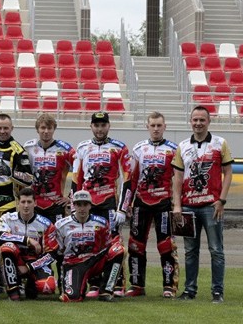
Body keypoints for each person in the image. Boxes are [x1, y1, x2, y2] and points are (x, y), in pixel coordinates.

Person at [171, 105, 234, 304]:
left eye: (202, 120)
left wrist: (221, 200)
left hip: (211, 206)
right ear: (190, 122)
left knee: (216, 249)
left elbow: (229, 173)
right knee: (190, 251)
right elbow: (178, 178)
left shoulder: (220, 143)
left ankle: (217, 291)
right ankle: (190, 290)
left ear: (208, 121)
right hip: (188, 206)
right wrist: (177, 206)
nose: (198, 123)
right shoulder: (182, 146)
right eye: (195, 120)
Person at [71, 111, 130, 296]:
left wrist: (122, 209)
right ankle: (95, 284)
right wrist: (74, 206)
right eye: (96, 125)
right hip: (87, 204)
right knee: (90, 242)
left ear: (108, 126)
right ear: (91, 127)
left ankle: (117, 283)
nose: (99, 128)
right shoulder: (82, 147)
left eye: (103, 125)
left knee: (113, 243)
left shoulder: (119, 148)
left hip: (109, 203)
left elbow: (128, 180)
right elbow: (76, 179)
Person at [122, 111, 180, 298]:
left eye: (159, 125)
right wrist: (127, 204)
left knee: (166, 245)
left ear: (165, 126)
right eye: (152, 125)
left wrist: (178, 204)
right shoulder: (138, 149)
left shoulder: (173, 149)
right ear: (147, 126)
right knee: (135, 245)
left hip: (164, 202)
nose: (156, 129)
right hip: (141, 202)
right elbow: (132, 179)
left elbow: (179, 179)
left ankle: (169, 285)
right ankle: (137, 285)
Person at [0, 113, 33, 293]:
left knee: (11, 245)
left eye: (6, 128)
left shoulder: (18, 150)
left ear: (11, 128)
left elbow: (29, 179)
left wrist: (10, 172)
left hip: (9, 205)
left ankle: (17, 281)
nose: (2, 131)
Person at [54, 190, 125, 303]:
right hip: (74, 263)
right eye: (79, 204)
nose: (82, 208)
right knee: (72, 298)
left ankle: (106, 290)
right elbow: (58, 251)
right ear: (74, 205)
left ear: (90, 205)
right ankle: (78, 286)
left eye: (85, 204)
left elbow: (106, 245)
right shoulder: (61, 225)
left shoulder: (101, 223)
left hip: (95, 261)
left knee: (118, 249)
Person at [0, 187, 58, 301]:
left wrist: (29, 267)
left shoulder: (46, 224)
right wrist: (28, 240)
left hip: (35, 262)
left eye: (29, 202)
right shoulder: (7, 218)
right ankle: (13, 291)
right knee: (5, 248)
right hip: (16, 259)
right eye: (23, 202)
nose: (26, 205)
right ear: (18, 203)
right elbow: (0, 237)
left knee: (48, 287)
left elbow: (52, 254)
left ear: (35, 203)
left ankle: (29, 284)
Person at [24, 113, 75, 223]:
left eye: (49, 128)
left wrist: (71, 197)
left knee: (56, 238)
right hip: (35, 203)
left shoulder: (65, 149)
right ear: (37, 129)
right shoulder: (28, 147)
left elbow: (81, 170)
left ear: (54, 129)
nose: (46, 131)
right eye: (43, 128)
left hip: (56, 204)